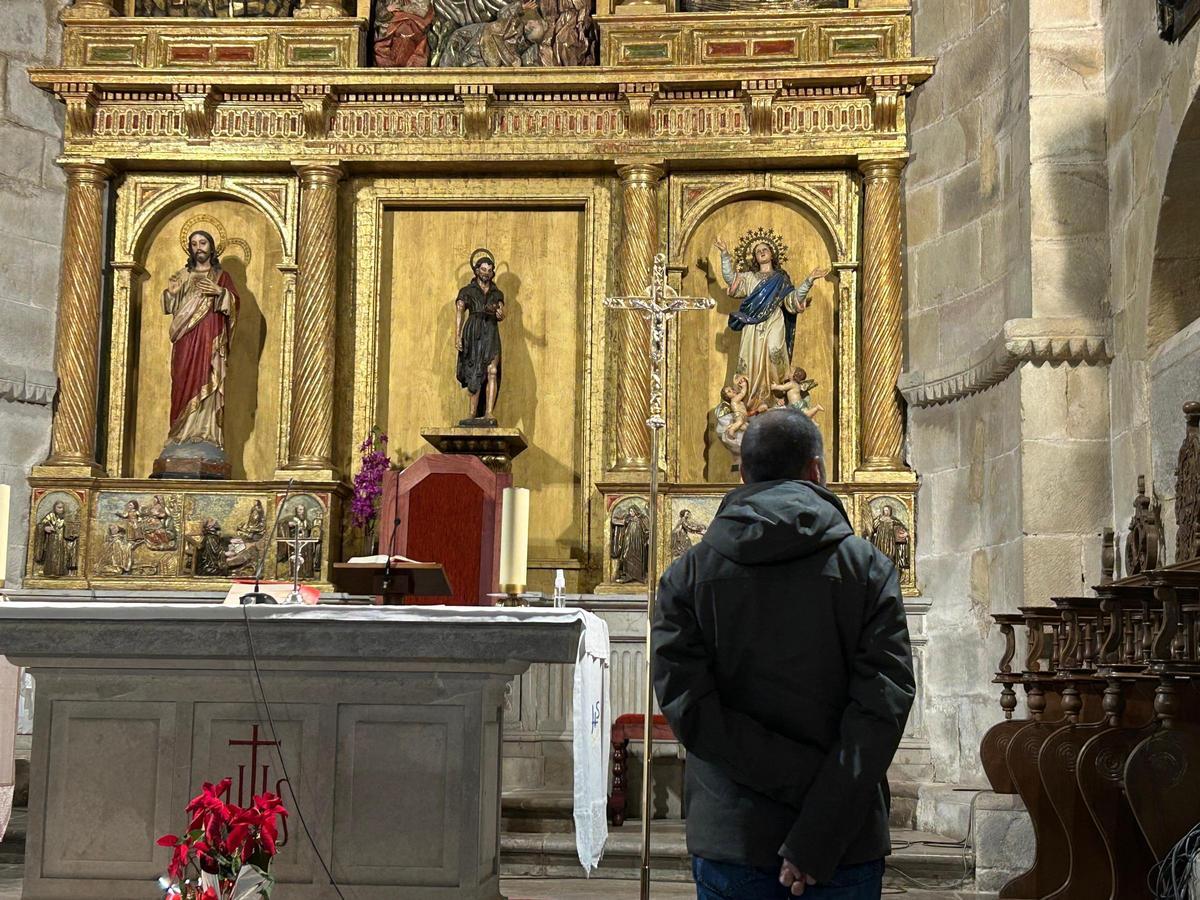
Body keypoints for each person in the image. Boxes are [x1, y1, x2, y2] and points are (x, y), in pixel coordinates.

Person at [652, 408, 914, 899]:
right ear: (816, 470)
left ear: (744, 474)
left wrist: (799, 784)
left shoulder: (687, 575)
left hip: (736, 836)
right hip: (844, 839)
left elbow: (691, 710)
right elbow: (882, 707)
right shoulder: (868, 569)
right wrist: (822, 816)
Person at [714, 233, 829, 415]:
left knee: (775, 351)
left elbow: (792, 300)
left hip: (774, 320)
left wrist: (809, 281)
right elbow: (730, 279)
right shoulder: (749, 277)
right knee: (752, 359)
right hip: (752, 324)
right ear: (755, 257)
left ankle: (778, 397)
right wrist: (724, 254)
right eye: (757, 251)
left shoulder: (781, 279)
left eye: (765, 249)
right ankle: (753, 402)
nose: (761, 252)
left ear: (772, 254)